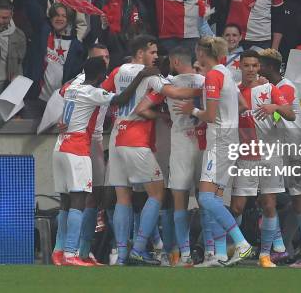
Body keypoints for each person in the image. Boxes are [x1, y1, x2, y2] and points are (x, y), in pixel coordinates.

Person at [52, 56, 157, 266]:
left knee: (68, 199)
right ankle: (71, 253)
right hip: (79, 146)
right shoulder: (94, 90)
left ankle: (63, 251)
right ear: (101, 73)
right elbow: (119, 100)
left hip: (61, 145)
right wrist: (140, 77)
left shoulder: (73, 86)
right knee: (80, 198)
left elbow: (64, 92)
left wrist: (62, 120)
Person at [173, 37, 254, 266]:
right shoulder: (226, 73)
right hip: (229, 139)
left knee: (206, 198)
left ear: (201, 52)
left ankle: (241, 243)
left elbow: (209, 116)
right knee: (216, 198)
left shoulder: (213, 76)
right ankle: (218, 254)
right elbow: (243, 105)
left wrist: (193, 109)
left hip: (219, 140)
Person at [134, 46, 206, 267]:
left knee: (179, 201)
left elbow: (141, 109)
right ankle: (212, 250)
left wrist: (164, 115)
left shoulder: (168, 85)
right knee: (207, 201)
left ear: (175, 62)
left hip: (181, 145)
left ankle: (183, 254)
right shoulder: (205, 80)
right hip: (204, 144)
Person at [99, 35, 167, 265]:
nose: (156, 57)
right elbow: (170, 93)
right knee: (157, 192)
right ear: (140, 53)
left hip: (117, 138)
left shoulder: (118, 70)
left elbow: (104, 95)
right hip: (136, 139)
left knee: (122, 198)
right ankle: (139, 247)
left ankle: (121, 254)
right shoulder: (150, 75)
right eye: (153, 52)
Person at [229, 49, 295, 268]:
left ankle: (265, 255)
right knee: (237, 207)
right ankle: (236, 247)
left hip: (269, 154)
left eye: (254, 66)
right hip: (245, 156)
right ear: (239, 67)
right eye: (246, 65)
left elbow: (290, 113)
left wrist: (274, 107)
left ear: (259, 68)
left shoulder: (270, 89)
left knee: (269, 204)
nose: (251, 70)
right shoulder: (233, 92)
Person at [258, 48, 301, 267]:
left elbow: (282, 112)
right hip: (282, 151)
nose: (258, 70)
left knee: (300, 201)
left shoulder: (286, 87)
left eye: (261, 65)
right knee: (268, 199)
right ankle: (281, 248)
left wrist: (270, 109)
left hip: (295, 151)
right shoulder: (272, 88)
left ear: (271, 67)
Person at [23, 0, 88, 90]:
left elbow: (81, 22)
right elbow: (32, 7)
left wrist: (76, 42)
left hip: (68, 48)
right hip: (42, 44)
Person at [85, 0, 147, 70]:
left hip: (127, 48)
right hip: (108, 50)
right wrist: (104, 27)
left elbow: (138, 23)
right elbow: (95, 28)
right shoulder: (99, 0)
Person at [37, 2, 85, 103]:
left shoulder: (76, 45)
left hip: (61, 100)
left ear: (69, 20)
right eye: (56, 15)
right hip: (39, 98)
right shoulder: (44, 35)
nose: (60, 18)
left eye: (64, 16)